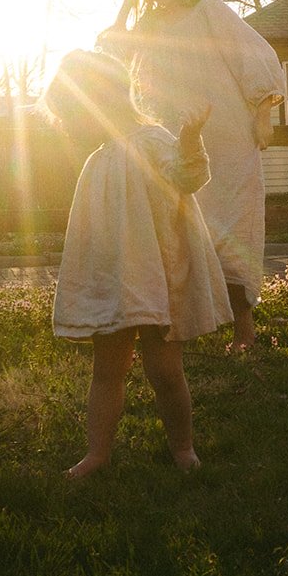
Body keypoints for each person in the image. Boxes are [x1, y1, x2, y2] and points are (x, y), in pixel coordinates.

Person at [44, 49, 231, 478]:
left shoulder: (152, 141)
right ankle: (98, 454)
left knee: (164, 370)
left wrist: (189, 137)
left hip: (156, 275)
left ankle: (183, 448)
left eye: (71, 115)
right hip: (113, 281)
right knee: (106, 370)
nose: (70, 127)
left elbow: (189, 177)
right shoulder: (99, 157)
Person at [100, 0, 285, 349]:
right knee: (177, 228)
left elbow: (255, 54)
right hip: (173, 142)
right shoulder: (148, 25)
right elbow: (110, 54)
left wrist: (263, 112)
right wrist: (128, 4)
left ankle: (244, 331)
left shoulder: (210, 11)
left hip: (227, 140)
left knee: (232, 229)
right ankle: (176, 329)